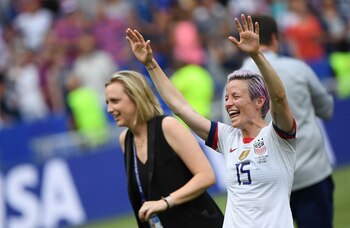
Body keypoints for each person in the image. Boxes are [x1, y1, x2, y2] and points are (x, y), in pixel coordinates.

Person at [126, 14, 297, 228]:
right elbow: (181, 108)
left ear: (259, 100)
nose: (228, 103)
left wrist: (256, 55)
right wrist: (151, 64)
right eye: (226, 97)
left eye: (236, 97)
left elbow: (279, 98)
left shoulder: (279, 137)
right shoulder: (228, 138)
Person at [221, 14, 334, 228]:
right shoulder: (299, 68)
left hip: (261, 183)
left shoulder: (232, 87)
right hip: (309, 173)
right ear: (274, 39)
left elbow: (231, 130)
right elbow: (326, 110)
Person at [104, 71, 224, 227]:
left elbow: (206, 176)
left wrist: (166, 202)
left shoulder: (168, 126)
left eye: (115, 101)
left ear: (136, 97)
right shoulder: (125, 140)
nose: (109, 109)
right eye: (107, 102)